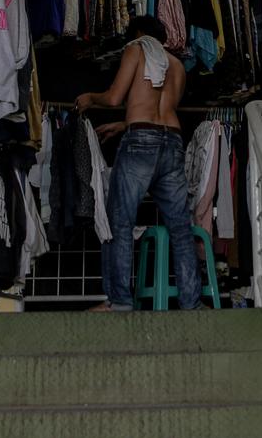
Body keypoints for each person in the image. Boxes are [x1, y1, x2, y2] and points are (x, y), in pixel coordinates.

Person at [75, 16, 201, 311]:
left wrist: (91, 97)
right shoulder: (178, 66)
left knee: (119, 223)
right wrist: (124, 124)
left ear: (139, 35)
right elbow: (159, 109)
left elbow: (116, 96)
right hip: (172, 141)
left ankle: (119, 302)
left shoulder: (136, 49)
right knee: (181, 229)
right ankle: (191, 304)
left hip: (140, 143)